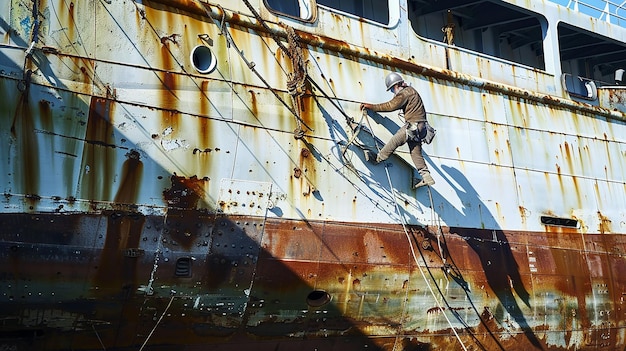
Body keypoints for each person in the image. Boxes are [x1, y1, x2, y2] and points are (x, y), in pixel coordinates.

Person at [360, 72, 435, 189]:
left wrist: (371, 107)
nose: (392, 92)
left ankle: (378, 158)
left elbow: (390, 106)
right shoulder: (412, 91)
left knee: (395, 140)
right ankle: (426, 176)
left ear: (396, 85)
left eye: (391, 89)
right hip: (422, 128)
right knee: (415, 152)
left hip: (413, 125)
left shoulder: (405, 93)